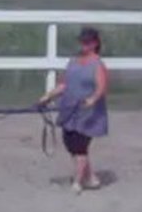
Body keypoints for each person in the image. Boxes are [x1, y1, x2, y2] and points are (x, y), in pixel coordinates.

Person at [38, 27, 109, 194]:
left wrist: (92, 99)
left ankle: (77, 182)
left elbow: (101, 87)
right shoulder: (73, 62)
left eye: (88, 42)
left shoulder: (97, 64)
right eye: (82, 41)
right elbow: (64, 85)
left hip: (88, 112)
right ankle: (90, 177)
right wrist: (48, 96)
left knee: (80, 145)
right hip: (69, 108)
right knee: (71, 143)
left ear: (95, 43)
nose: (84, 44)